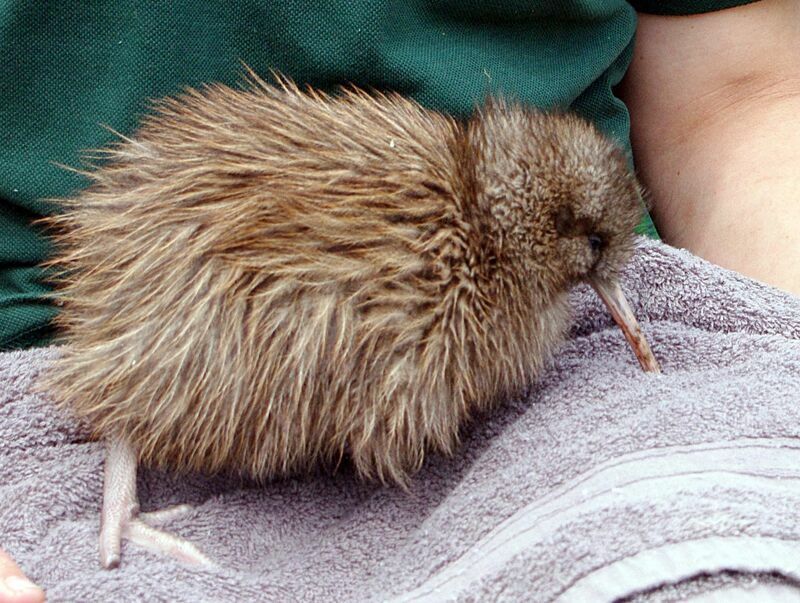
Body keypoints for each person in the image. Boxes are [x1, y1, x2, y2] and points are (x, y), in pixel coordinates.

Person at [2, 0, 795, 599]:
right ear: (553, 228)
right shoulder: (460, 289)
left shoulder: (509, 285)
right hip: (58, 366)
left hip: (580, 428)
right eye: (594, 256)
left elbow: (740, 97)